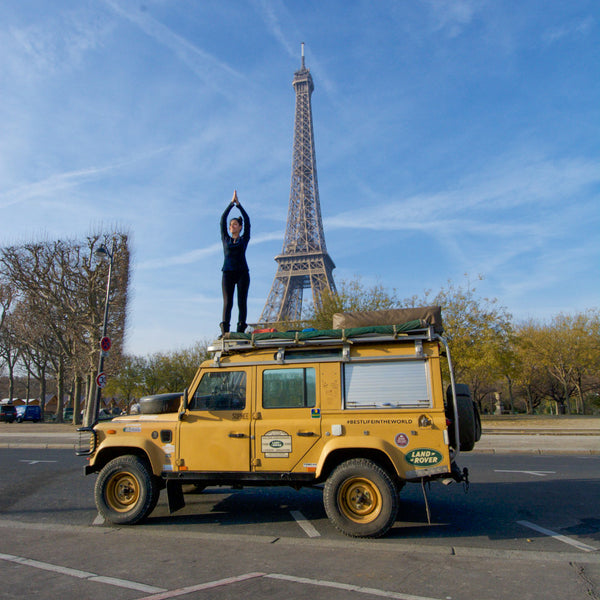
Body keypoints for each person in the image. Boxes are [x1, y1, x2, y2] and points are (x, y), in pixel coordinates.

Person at [220, 190, 251, 335]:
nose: (232, 225)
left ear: (240, 227)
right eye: (231, 224)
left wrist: (239, 205)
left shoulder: (243, 239)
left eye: (235, 224)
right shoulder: (225, 239)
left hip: (242, 273)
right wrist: (230, 204)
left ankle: (240, 329)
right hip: (227, 272)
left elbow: (248, 220)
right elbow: (222, 219)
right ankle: (225, 329)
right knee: (228, 302)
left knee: (241, 302)